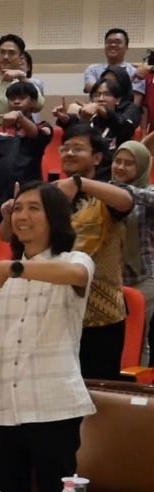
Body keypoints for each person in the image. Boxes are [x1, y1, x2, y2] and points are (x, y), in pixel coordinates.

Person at [0, 181, 96, 492]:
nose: (22, 216)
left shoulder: (74, 260)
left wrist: (14, 269)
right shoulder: (0, 276)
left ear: (54, 217)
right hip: (1, 409)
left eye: (33, 208)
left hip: (53, 407)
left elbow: (77, 276)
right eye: (17, 209)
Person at [0, 124, 134, 380]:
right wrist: (9, 215)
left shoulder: (105, 194)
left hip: (99, 317)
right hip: (51, 311)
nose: (69, 153)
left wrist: (79, 183)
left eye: (78, 148)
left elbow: (126, 201)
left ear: (97, 157)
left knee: (95, 391)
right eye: (65, 148)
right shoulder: (45, 196)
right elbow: (7, 236)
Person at [0, 81, 52, 225]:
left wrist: (20, 117)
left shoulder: (42, 127)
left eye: (22, 98)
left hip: (28, 194)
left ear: (33, 102)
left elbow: (36, 135)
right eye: (12, 98)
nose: (16, 101)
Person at [109, 141, 154, 366]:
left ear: (142, 167)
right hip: (109, 280)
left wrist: (121, 191)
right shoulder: (103, 191)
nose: (120, 167)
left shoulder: (148, 191)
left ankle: (139, 383)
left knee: (138, 337)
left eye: (128, 163)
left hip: (142, 279)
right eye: (117, 161)